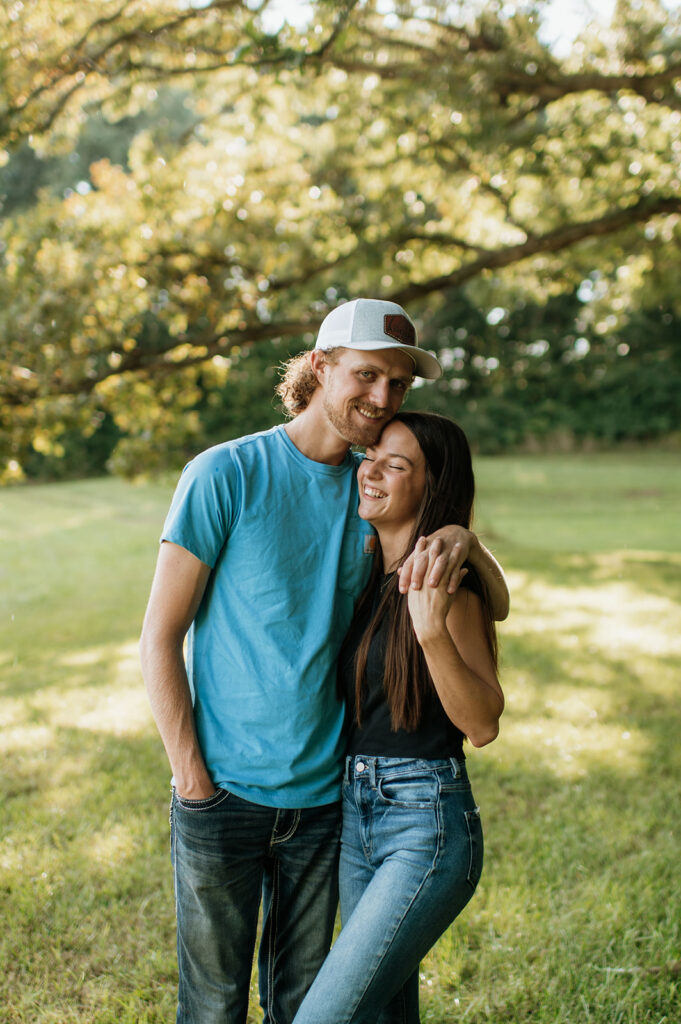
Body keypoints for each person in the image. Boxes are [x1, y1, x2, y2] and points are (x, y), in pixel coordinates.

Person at [139, 298, 509, 1024]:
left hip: (324, 805)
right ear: (319, 367)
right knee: (212, 1007)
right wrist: (191, 780)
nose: (382, 398)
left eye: (399, 384)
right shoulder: (225, 474)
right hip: (222, 796)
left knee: (304, 1005)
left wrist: (462, 539)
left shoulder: (371, 490)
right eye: (367, 375)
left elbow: (485, 600)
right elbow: (158, 636)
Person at [292, 411, 504, 1024]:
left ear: (430, 486)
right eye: (372, 457)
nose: (372, 473)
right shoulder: (370, 576)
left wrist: (432, 631)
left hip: (425, 824)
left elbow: (483, 723)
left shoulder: (448, 589)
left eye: (397, 464)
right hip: (357, 816)